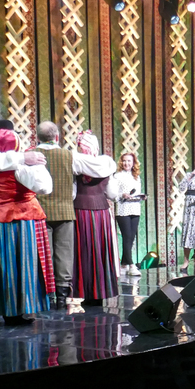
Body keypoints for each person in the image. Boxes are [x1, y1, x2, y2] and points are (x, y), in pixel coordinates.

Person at [33, 121, 117, 309]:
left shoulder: (30, 155)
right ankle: (62, 297)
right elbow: (102, 172)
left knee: (44, 255)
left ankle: (46, 297)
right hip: (66, 211)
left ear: (37, 137)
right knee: (65, 253)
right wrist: (111, 164)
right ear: (57, 137)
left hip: (40, 211)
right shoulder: (70, 156)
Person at [0, 128, 54, 324]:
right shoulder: (21, 166)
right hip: (21, 218)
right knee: (23, 264)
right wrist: (32, 162)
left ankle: (4, 308)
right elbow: (44, 187)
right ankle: (21, 308)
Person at [73, 131, 120, 306]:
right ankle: (100, 290)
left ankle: (83, 290)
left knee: (83, 250)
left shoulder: (75, 163)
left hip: (80, 210)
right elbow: (112, 194)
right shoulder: (106, 164)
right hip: (101, 212)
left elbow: (72, 193)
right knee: (100, 250)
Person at [110, 151, 143, 276]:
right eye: (124, 161)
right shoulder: (117, 176)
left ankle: (124, 265)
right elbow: (113, 195)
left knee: (131, 238)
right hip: (123, 209)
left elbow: (137, 193)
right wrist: (122, 195)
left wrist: (141, 197)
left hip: (135, 208)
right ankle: (131, 265)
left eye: (129, 161)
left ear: (133, 163)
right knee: (127, 236)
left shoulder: (136, 177)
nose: (126, 163)